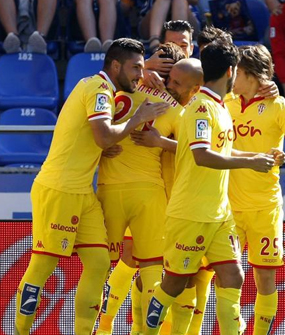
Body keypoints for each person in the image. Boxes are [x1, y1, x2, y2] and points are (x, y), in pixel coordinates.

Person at [13, 38, 169, 335]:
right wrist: (137, 118)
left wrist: (101, 148)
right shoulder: (99, 89)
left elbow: (95, 137)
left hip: (82, 192)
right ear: (115, 65)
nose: (140, 73)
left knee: (98, 263)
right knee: (43, 265)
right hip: (59, 188)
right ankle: (21, 331)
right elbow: (103, 135)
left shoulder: (99, 88)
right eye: (135, 67)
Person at [142, 41, 278, 335]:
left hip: (219, 213)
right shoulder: (201, 108)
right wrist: (249, 164)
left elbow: (225, 149)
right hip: (190, 213)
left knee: (233, 276)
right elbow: (202, 156)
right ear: (230, 71)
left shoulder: (220, 107)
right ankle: (147, 327)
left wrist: (256, 156)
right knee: (176, 283)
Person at [94, 42, 186, 335]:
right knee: (147, 265)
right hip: (159, 193)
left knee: (124, 263)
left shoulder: (119, 91)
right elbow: (196, 151)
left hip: (144, 190)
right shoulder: (176, 109)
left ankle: (107, 327)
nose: (164, 79)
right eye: (160, 70)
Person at [227, 44, 285, 335]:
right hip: (226, 205)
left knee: (264, 277)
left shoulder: (279, 106)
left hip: (264, 206)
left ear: (251, 75)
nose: (231, 77)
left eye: (237, 72)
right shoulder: (224, 101)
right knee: (227, 276)